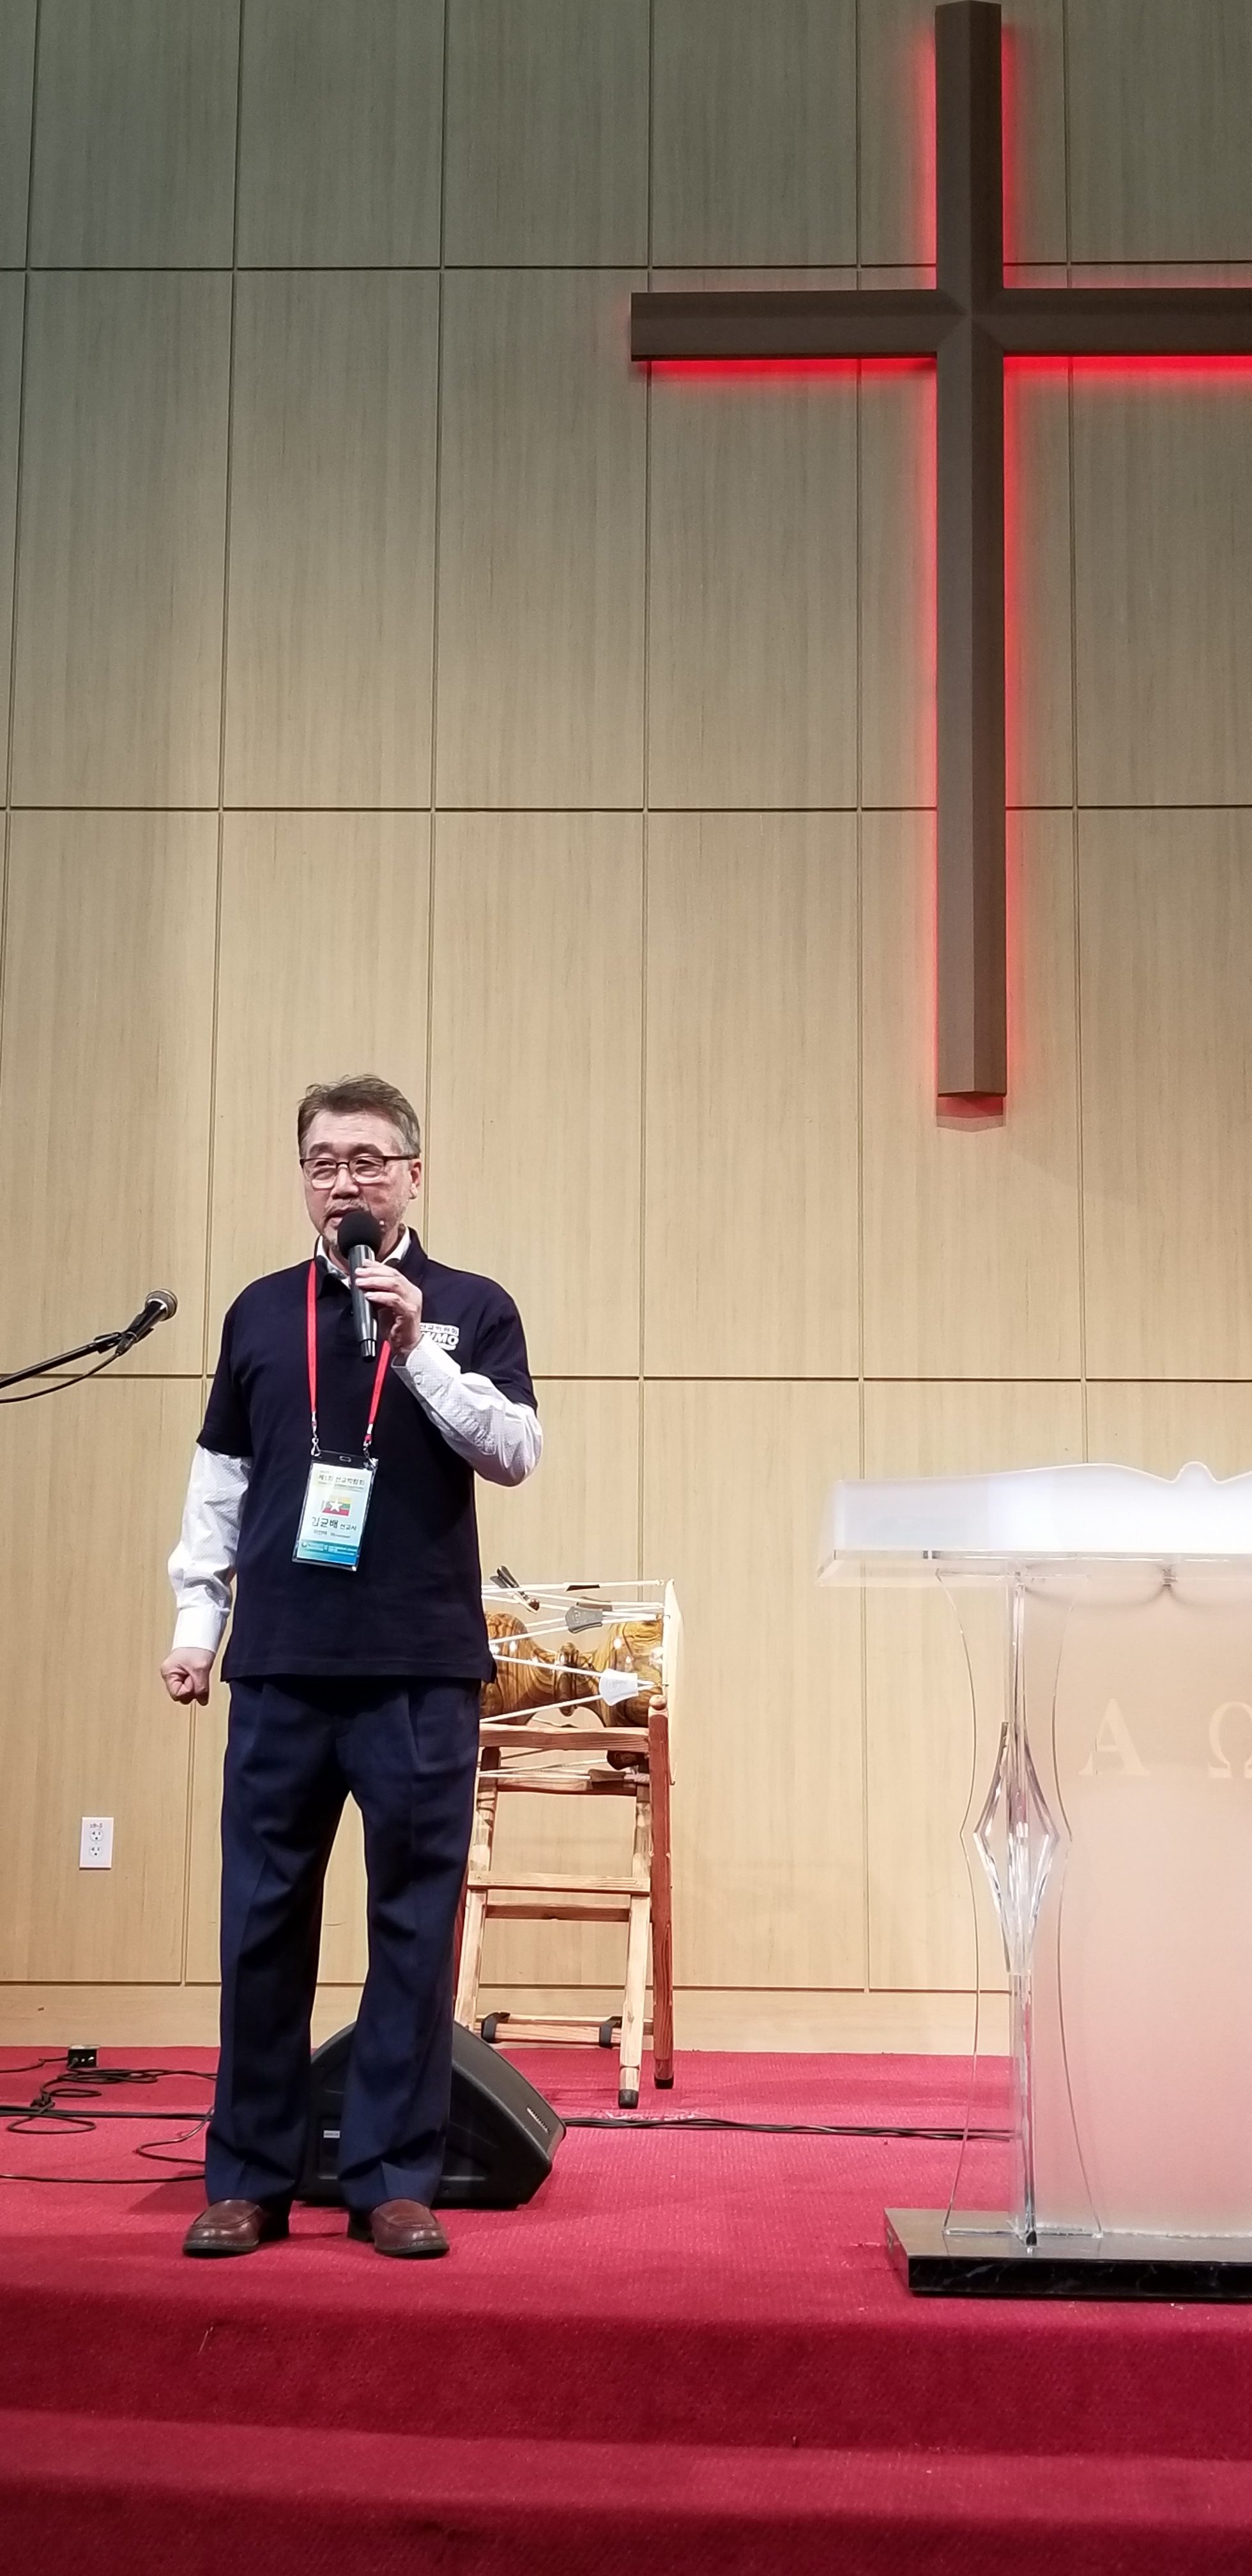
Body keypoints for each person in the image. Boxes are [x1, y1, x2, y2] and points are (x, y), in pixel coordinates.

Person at [161, 1075, 541, 2258]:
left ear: (412, 1177)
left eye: (369, 1161)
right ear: (305, 1182)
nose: (346, 1182)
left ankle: (391, 2177)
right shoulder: (257, 1312)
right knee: (260, 1924)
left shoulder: (471, 1306)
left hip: (419, 1668)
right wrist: (195, 1626)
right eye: (324, 1163)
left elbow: (516, 1451)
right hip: (281, 1664)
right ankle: (250, 2179)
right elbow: (220, 1481)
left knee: (413, 1928)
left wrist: (419, 1349)